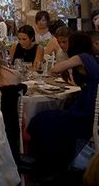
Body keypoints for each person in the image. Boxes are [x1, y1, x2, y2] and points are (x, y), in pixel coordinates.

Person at [29, 33, 99, 175]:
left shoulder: (81, 57)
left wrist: (64, 68)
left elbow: (55, 69)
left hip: (84, 114)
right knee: (48, 116)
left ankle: (49, 165)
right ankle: (52, 163)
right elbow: (80, 83)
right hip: (89, 108)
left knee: (39, 120)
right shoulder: (90, 59)